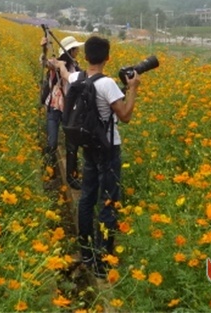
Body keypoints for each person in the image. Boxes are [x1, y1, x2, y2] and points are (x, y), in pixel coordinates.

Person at [54, 35, 141, 278]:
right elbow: (125, 115)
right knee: (108, 200)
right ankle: (103, 261)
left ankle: (86, 250)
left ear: (85, 56)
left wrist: (59, 64)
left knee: (87, 197)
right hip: (108, 147)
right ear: (107, 58)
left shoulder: (76, 77)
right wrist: (133, 89)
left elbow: (64, 73)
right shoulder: (107, 84)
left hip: (88, 145)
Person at [40, 34, 84, 189]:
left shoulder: (76, 67)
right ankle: (48, 173)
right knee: (52, 143)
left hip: (68, 109)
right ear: (70, 51)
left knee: (71, 145)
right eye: (76, 49)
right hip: (54, 107)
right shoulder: (57, 63)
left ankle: (72, 178)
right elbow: (44, 62)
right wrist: (44, 48)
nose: (78, 51)